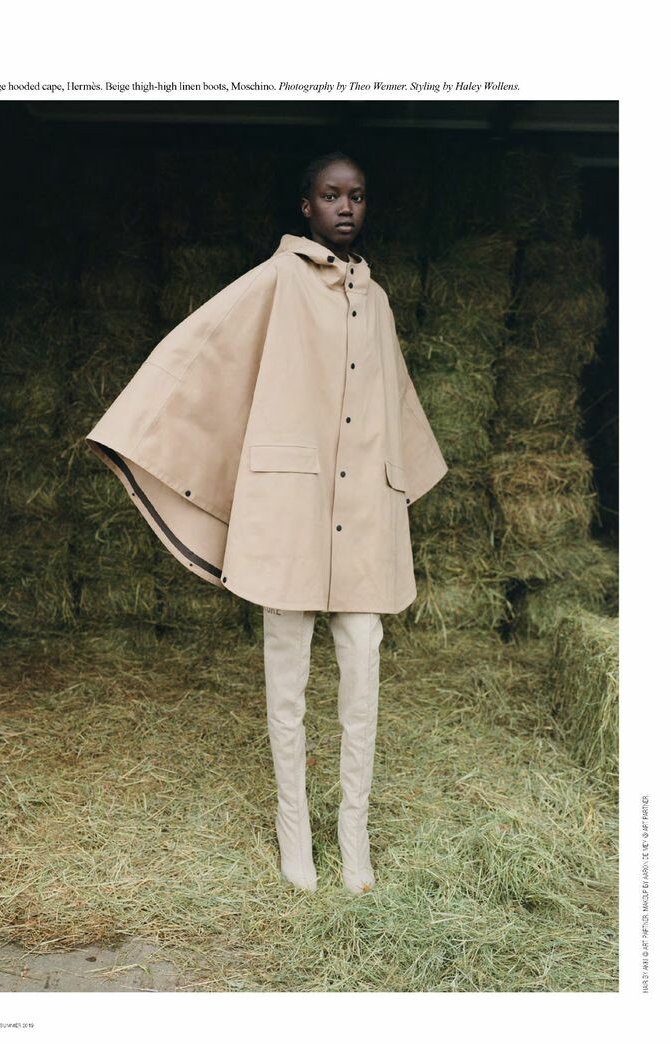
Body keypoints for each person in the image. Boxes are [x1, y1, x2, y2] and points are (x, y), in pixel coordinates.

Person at [86, 150, 448, 895]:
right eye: (330, 195)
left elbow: (395, 401)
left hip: (363, 514)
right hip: (292, 508)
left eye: (356, 196)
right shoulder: (278, 281)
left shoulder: (378, 302)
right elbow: (208, 351)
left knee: (363, 668)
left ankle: (354, 835)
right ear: (306, 205)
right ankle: (295, 832)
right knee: (287, 677)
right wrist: (143, 419)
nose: (345, 207)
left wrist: (399, 479)